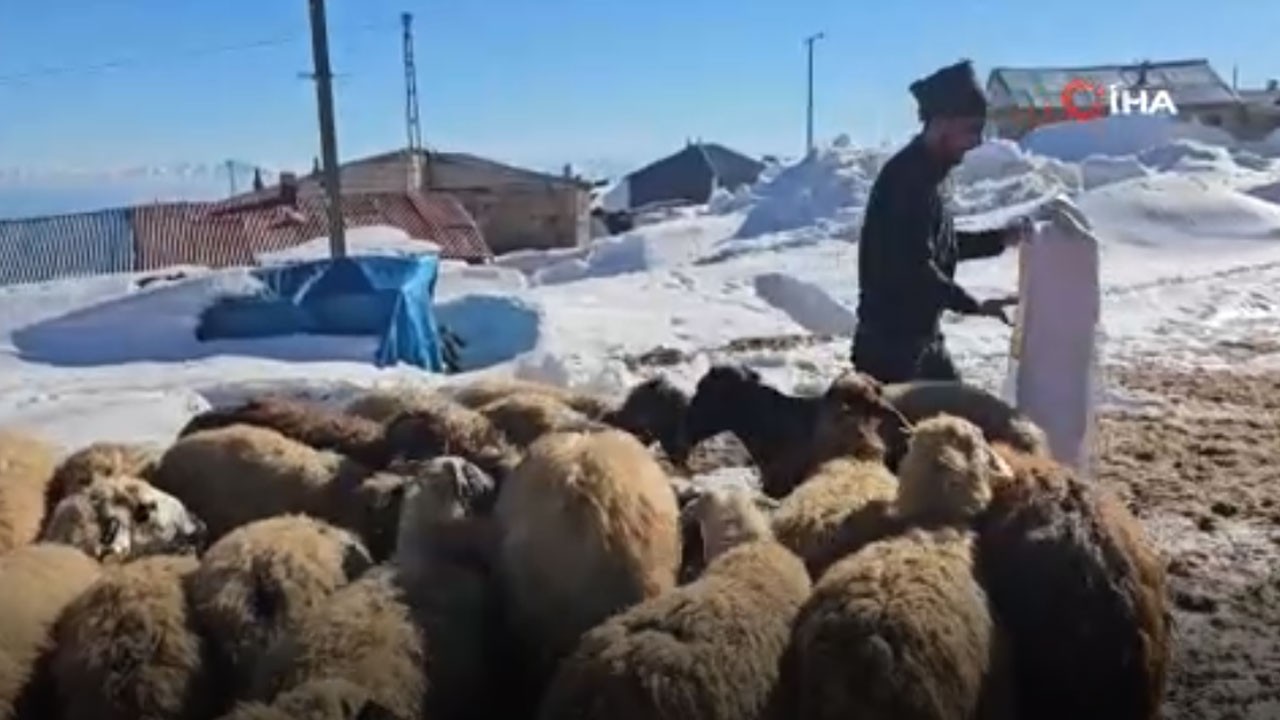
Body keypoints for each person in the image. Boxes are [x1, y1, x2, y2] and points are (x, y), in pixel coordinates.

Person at [852, 58, 1030, 384]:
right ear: (942, 122)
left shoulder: (930, 174)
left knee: (963, 427)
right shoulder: (907, 180)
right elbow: (916, 268)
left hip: (922, 342)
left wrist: (1001, 239)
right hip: (890, 352)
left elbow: (940, 246)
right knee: (913, 433)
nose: (977, 141)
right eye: (972, 129)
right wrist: (972, 305)